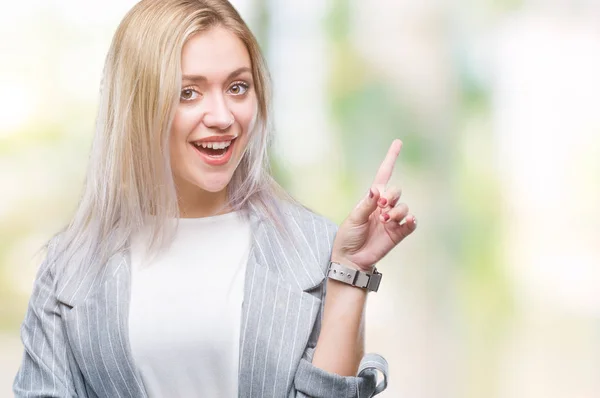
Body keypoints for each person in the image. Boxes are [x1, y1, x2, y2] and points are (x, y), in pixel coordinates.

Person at [13, 0, 417, 397]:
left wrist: (351, 270)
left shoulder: (317, 249)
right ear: (138, 103)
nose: (223, 116)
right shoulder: (67, 270)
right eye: (188, 92)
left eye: (238, 87)